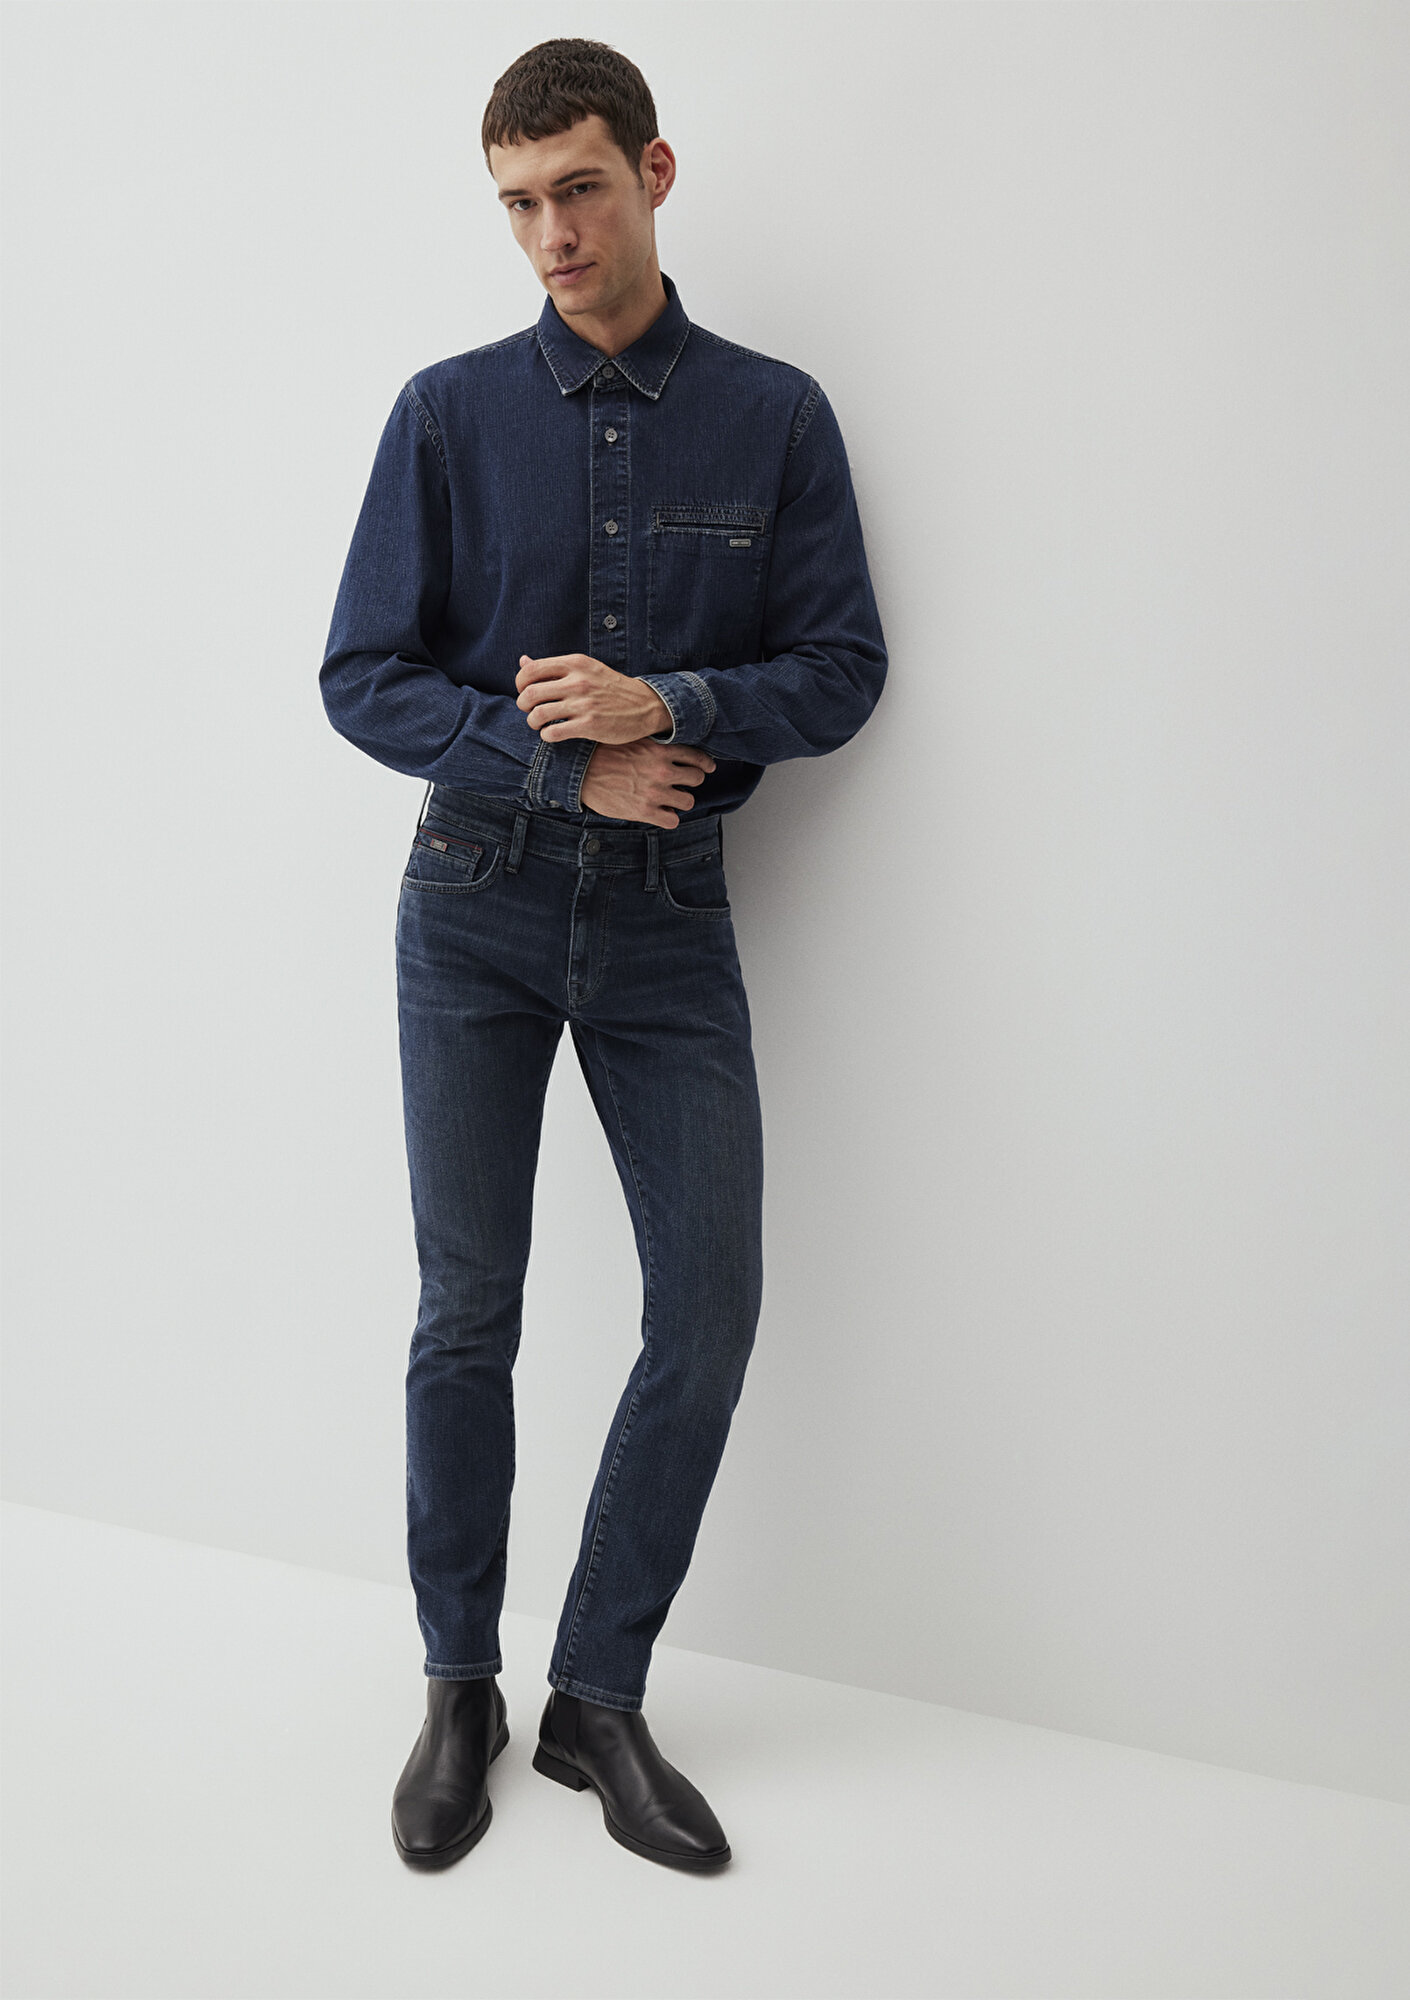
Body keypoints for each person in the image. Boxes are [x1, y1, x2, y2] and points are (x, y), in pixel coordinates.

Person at [320, 35, 888, 1874]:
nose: (550, 235)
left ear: (652, 170)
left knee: (706, 1313)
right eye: (516, 205)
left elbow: (841, 669)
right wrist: (557, 755)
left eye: (576, 189)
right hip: (470, 904)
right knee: (464, 1313)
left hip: (666, 922)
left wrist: (675, 703)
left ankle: (597, 1696)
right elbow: (359, 676)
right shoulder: (444, 412)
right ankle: (456, 1690)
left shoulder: (774, 417)